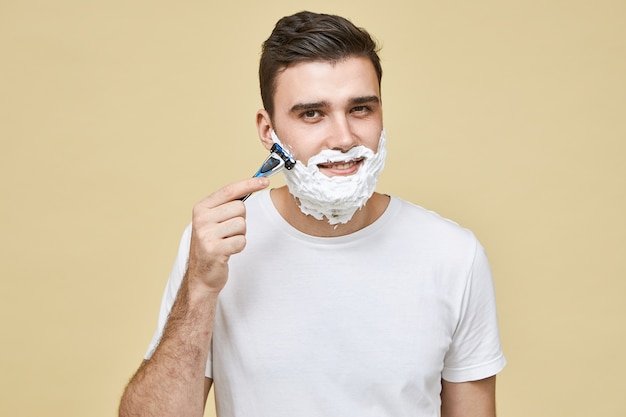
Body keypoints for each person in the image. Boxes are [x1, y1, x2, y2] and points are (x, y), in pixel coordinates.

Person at [119, 10, 506, 417]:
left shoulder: (453, 255)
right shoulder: (219, 248)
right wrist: (199, 287)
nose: (343, 138)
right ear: (268, 131)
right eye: (311, 114)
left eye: (360, 109)